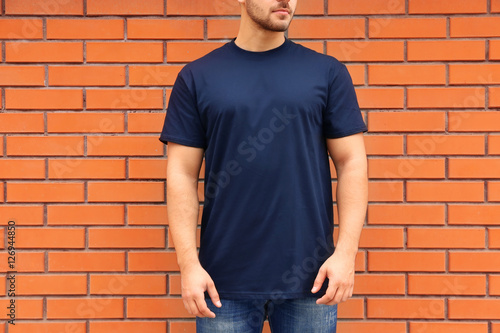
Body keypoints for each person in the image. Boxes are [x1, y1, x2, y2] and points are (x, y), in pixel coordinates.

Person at [159, 0, 368, 331]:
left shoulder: (327, 73)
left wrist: (346, 255)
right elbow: (181, 174)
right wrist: (188, 265)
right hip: (222, 282)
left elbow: (352, 162)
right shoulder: (198, 77)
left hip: (311, 280)